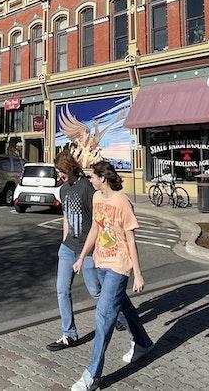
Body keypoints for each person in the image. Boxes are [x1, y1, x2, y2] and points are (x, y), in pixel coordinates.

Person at [70, 161, 154, 391]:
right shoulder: (97, 198)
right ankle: (143, 343)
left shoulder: (122, 202)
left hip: (119, 265)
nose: (90, 180)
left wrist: (137, 274)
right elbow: (95, 229)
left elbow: (131, 240)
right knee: (124, 306)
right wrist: (82, 257)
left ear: (103, 178)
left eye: (93, 177)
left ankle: (93, 375)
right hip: (100, 262)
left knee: (104, 316)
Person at [47, 150, 126, 352]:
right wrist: (64, 241)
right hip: (68, 248)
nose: (59, 175)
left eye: (60, 171)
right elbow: (66, 217)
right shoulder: (63, 189)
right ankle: (69, 334)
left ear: (68, 168)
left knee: (96, 291)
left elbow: (97, 221)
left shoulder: (87, 188)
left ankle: (120, 317)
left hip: (88, 249)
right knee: (62, 290)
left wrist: (95, 249)